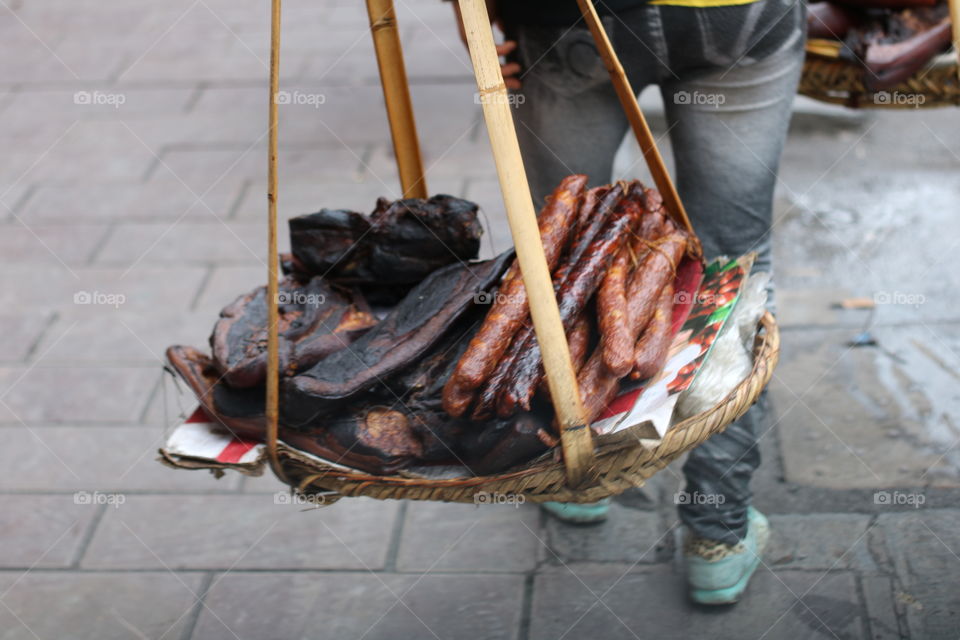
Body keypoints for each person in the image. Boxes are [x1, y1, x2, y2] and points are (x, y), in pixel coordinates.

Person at [448, 0, 804, 605]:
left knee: (560, 253)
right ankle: (716, 536)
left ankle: (568, 472)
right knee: (733, 270)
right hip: (737, 18)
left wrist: (469, 16)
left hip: (571, 20)